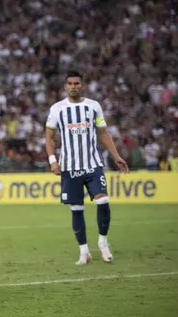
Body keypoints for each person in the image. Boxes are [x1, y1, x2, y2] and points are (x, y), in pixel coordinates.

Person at [45, 71, 129, 265]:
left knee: (103, 201)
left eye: (77, 83)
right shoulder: (57, 109)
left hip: (92, 164)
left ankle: (103, 242)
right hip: (69, 167)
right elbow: (48, 137)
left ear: (82, 86)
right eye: (70, 83)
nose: (73, 86)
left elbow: (103, 133)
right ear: (65, 87)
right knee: (76, 209)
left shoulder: (93, 107)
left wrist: (116, 156)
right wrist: (52, 161)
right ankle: (84, 252)